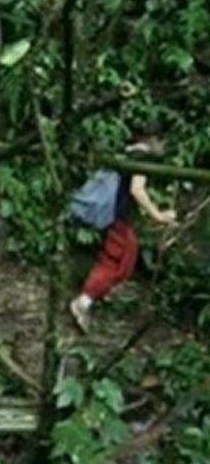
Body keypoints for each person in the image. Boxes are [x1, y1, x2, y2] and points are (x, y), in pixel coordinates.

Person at [69, 134, 178, 332]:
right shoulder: (142, 159)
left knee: (120, 263)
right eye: (162, 141)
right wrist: (158, 216)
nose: (163, 146)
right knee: (116, 265)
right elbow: (137, 189)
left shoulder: (124, 153)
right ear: (152, 139)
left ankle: (90, 297)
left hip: (113, 217)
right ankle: (83, 302)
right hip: (120, 219)